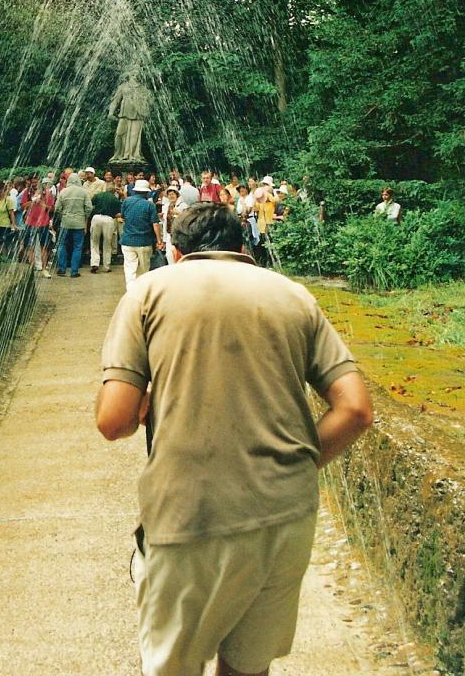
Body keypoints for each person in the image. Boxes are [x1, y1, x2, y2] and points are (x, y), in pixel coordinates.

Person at [96, 203, 373, 676]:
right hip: (285, 513)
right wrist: (297, 466)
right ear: (241, 248)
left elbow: (113, 421)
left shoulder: (149, 292)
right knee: (249, 666)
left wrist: (142, 401)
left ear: (175, 250)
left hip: (189, 515)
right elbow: (356, 409)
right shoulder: (293, 296)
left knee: (173, 667)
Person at [120, 178, 164, 289]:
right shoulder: (149, 205)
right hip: (144, 242)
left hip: (127, 241)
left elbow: (123, 217)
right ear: (147, 192)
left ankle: (130, 291)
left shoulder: (126, 201)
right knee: (145, 270)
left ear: (135, 191)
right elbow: (155, 224)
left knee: (130, 269)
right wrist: (159, 241)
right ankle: (144, 292)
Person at [54, 173, 92, 277]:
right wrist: (84, 217)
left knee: (62, 245)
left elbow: (57, 208)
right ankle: (74, 271)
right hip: (79, 223)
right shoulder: (83, 192)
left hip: (65, 222)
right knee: (77, 247)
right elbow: (89, 207)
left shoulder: (63, 192)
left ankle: (62, 268)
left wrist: (63, 214)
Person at [90, 181, 121, 273]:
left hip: (96, 218)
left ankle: (94, 263)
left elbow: (92, 203)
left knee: (94, 242)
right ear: (114, 190)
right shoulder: (115, 199)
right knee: (107, 243)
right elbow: (117, 213)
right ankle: (106, 266)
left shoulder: (99, 195)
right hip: (108, 219)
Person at [24, 181, 55, 276]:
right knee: (29, 245)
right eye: (33, 183)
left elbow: (52, 209)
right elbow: (23, 205)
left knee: (44, 246)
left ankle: (44, 269)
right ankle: (32, 268)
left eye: (36, 183)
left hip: (43, 223)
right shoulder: (27, 192)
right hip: (30, 222)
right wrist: (32, 202)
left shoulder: (48, 193)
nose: (34, 185)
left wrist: (42, 204)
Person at [0, 181, 18, 255]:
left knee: (2, 242)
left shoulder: (8, 200)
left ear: (4, 189)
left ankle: (4, 257)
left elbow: (11, 213)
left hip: (4, 225)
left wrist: (14, 224)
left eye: (0, 189)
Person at [160, 184, 182, 265]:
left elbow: (187, 217)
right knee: (169, 254)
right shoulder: (165, 206)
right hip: (169, 234)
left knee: (177, 254)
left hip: (178, 234)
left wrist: (179, 213)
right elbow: (164, 222)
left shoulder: (182, 205)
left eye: (173, 194)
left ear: (177, 195)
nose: (171, 196)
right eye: (169, 195)